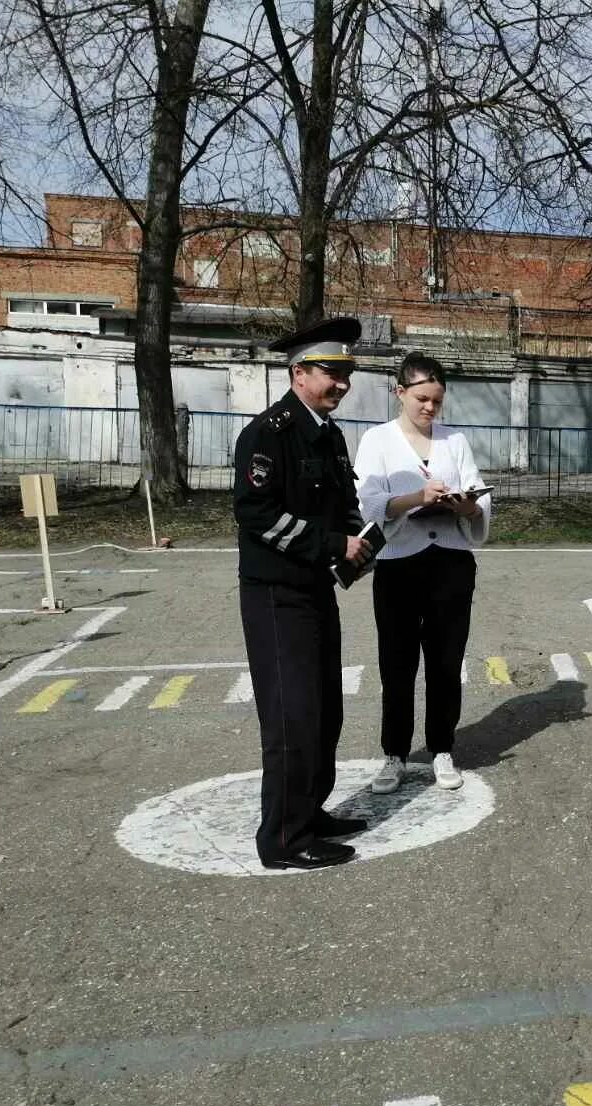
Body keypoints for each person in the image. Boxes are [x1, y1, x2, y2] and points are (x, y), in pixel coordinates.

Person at [234, 316, 374, 871]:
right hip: (276, 594)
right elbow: (256, 515)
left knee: (324, 712)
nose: (341, 383)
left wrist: (359, 539)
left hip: (315, 587)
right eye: (331, 372)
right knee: (292, 717)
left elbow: (341, 502)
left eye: (348, 373)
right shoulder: (267, 434)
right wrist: (332, 542)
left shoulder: (328, 433)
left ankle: (310, 811)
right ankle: (284, 839)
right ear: (298, 372)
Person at [354, 351, 491, 795]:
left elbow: (480, 501)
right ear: (400, 392)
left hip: (451, 562)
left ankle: (442, 749)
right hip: (398, 564)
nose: (430, 408)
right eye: (421, 399)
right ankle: (394, 754)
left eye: (437, 400)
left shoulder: (456, 441)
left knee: (446, 662)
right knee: (396, 664)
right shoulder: (377, 440)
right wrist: (415, 498)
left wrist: (467, 505)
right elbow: (370, 503)